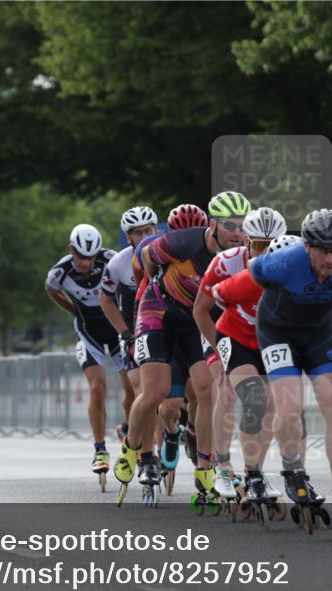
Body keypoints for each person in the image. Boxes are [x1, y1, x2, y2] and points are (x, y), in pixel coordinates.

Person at [113, 193, 247, 506]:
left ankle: (204, 467)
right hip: (158, 311)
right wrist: (150, 284)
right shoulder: (184, 243)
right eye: (229, 225)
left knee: (207, 389)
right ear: (212, 224)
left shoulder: (240, 255)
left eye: (242, 226)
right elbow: (144, 257)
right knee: (156, 392)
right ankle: (132, 447)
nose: (237, 232)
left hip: (194, 320)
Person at [249, 209, 332, 526]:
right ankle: (292, 467)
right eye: (322, 250)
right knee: (289, 403)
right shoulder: (280, 263)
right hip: (277, 330)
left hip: (319, 332)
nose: (330, 259)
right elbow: (255, 270)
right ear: (307, 246)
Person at [200, 232, 302, 506]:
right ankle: (221, 466)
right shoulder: (249, 278)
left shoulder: (305, 285)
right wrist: (216, 350)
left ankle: (253, 473)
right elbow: (212, 300)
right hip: (233, 336)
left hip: (268, 343)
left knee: (269, 406)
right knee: (248, 397)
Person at [45, 224, 126, 477]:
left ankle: (127, 429)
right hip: (87, 332)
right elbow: (51, 289)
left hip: (116, 329)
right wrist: (72, 310)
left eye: (90, 257)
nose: (86, 262)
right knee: (97, 388)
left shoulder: (111, 260)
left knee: (135, 389)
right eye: (80, 256)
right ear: (71, 250)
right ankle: (100, 448)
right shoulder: (60, 271)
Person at [99, 206, 158, 450]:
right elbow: (105, 299)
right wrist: (124, 332)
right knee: (141, 390)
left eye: (149, 230)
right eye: (138, 233)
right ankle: (145, 451)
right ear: (128, 237)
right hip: (134, 334)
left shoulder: (168, 255)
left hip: (164, 331)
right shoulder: (118, 264)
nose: (145, 236)